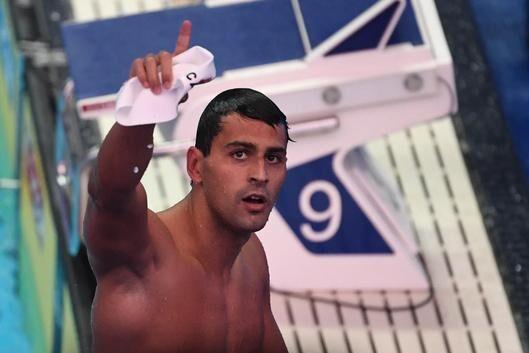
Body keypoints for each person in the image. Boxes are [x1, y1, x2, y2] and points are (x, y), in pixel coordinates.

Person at [84, 20, 290, 353]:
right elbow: (110, 193)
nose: (260, 174)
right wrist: (147, 107)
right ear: (195, 165)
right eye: (240, 154)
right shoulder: (143, 255)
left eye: (274, 158)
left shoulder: (251, 260)